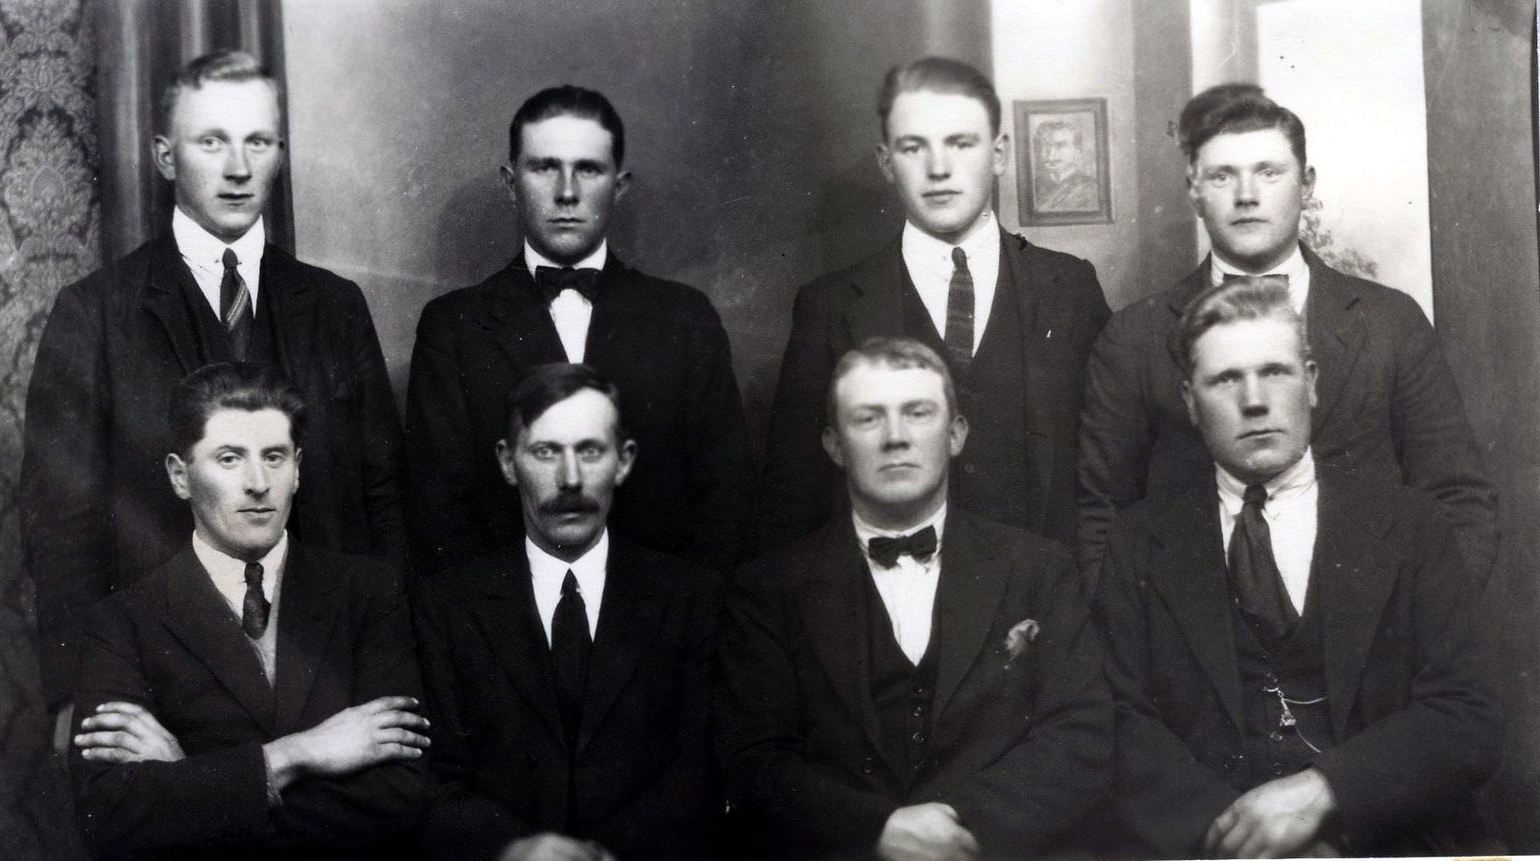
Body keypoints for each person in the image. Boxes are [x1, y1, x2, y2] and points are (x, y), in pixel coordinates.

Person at [22, 51, 406, 709]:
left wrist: (388, 672)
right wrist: (89, 701)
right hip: (160, 687)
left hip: (330, 679)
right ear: (165, 156)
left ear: (280, 153)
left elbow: (385, 503)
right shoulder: (94, 313)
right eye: (211, 142)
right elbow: (61, 529)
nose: (238, 168)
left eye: (257, 142)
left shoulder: (335, 306)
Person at [1094, 277, 1502, 856]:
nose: (1254, 400)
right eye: (1226, 379)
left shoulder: (1411, 525)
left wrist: (1325, 792)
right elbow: (1119, 724)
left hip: (1388, 841)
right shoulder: (1137, 541)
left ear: (1310, 382)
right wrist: (1244, 838)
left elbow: (1467, 714)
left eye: (1275, 372)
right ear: (1189, 400)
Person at [1077, 83, 1496, 582]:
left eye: (1268, 172)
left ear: (1306, 184)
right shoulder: (1134, 337)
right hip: (1194, 623)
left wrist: (1420, 618)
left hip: (1370, 620)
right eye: (1222, 176)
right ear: (1194, 191)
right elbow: (1101, 510)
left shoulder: (1391, 323)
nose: (1246, 195)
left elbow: (1457, 497)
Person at [720, 337, 1111, 859]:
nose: (896, 438)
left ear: (956, 434)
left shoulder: (1039, 569)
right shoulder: (767, 589)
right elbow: (754, 761)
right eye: (868, 418)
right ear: (834, 445)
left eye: (918, 413)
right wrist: (876, 829)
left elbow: (1081, 734)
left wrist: (955, 823)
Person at [69, 363, 428, 860]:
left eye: (274, 457)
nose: (259, 483)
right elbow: (111, 820)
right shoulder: (121, 623)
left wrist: (189, 778)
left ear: (297, 469)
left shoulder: (369, 592)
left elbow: (401, 798)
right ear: (180, 475)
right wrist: (298, 755)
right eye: (230, 458)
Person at [760, 57, 1110, 551]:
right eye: (914, 147)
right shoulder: (828, 307)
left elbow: (1110, 478)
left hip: (1049, 591)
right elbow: (793, 503)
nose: (939, 168)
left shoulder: (1071, 288)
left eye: (960, 143)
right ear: (886, 162)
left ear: (999, 153)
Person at [405, 85, 751, 577]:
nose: (566, 192)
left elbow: (726, 501)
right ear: (511, 183)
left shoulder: (685, 319)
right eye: (545, 167)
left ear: (619, 186)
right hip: (505, 613)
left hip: (664, 614)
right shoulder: (454, 327)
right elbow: (439, 513)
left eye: (587, 169)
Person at [416, 363, 721, 860]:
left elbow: (703, 770)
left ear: (623, 461)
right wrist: (516, 849)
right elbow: (435, 778)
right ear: (507, 462)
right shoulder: (445, 606)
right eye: (546, 452)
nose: (571, 478)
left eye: (590, 450)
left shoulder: (692, 598)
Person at [1032, 120, 1099, 212]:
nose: (1051, 155)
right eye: (1047, 146)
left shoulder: (1092, 189)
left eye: (1060, 146)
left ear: (1077, 150)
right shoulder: (1033, 187)